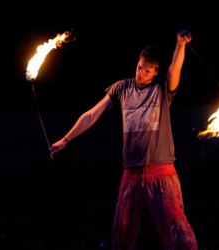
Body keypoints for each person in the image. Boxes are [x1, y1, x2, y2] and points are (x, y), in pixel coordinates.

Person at [50, 30, 198, 250]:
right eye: (139, 67)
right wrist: (65, 139)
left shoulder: (162, 89)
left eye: (147, 71)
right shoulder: (122, 88)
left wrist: (180, 45)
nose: (140, 73)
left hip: (161, 172)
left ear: (155, 72)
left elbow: (175, 68)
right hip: (131, 174)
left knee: (177, 232)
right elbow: (92, 114)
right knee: (122, 234)